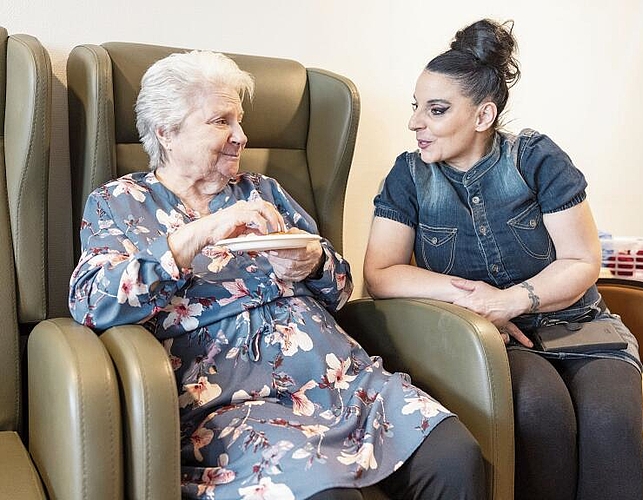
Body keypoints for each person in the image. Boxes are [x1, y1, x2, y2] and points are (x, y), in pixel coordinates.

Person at [69, 50, 485, 500]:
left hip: (340, 379)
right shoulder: (120, 201)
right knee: (327, 495)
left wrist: (315, 263)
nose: (241, 136)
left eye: (240, 121)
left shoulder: (263, 190)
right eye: (221, 121)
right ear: (167, 132)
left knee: (454, 456)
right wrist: (193, 237)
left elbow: (341, 288)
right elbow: (90, 302)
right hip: (234, 404)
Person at [364, 18, 643, 500]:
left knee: (611, 422)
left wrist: (513, 299)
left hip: (581, 327)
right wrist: (477, 301)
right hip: (492, 339)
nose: (416, 122)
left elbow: (582, 260)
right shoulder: (408, 176)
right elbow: (381, 273)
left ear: (483, 116)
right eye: (416, 108)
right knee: (541, 410)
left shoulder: (536, 158)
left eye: (435, 110)